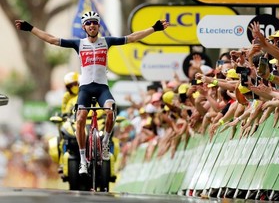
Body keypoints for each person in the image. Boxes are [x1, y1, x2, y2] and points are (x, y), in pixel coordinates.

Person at [15, 11, 169, 175]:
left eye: (94, 22)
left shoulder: (106, 41)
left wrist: (154, 28)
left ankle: (104, 145)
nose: (92, 25)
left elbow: (132, 37)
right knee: (80, 118)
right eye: (88, 23)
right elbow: (51, 39)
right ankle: (82, 160)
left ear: (98, 25)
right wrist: (29, 28)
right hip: (86, 89)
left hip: (102, 88)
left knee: (111, 112)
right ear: (84, 27)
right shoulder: (78, 44)